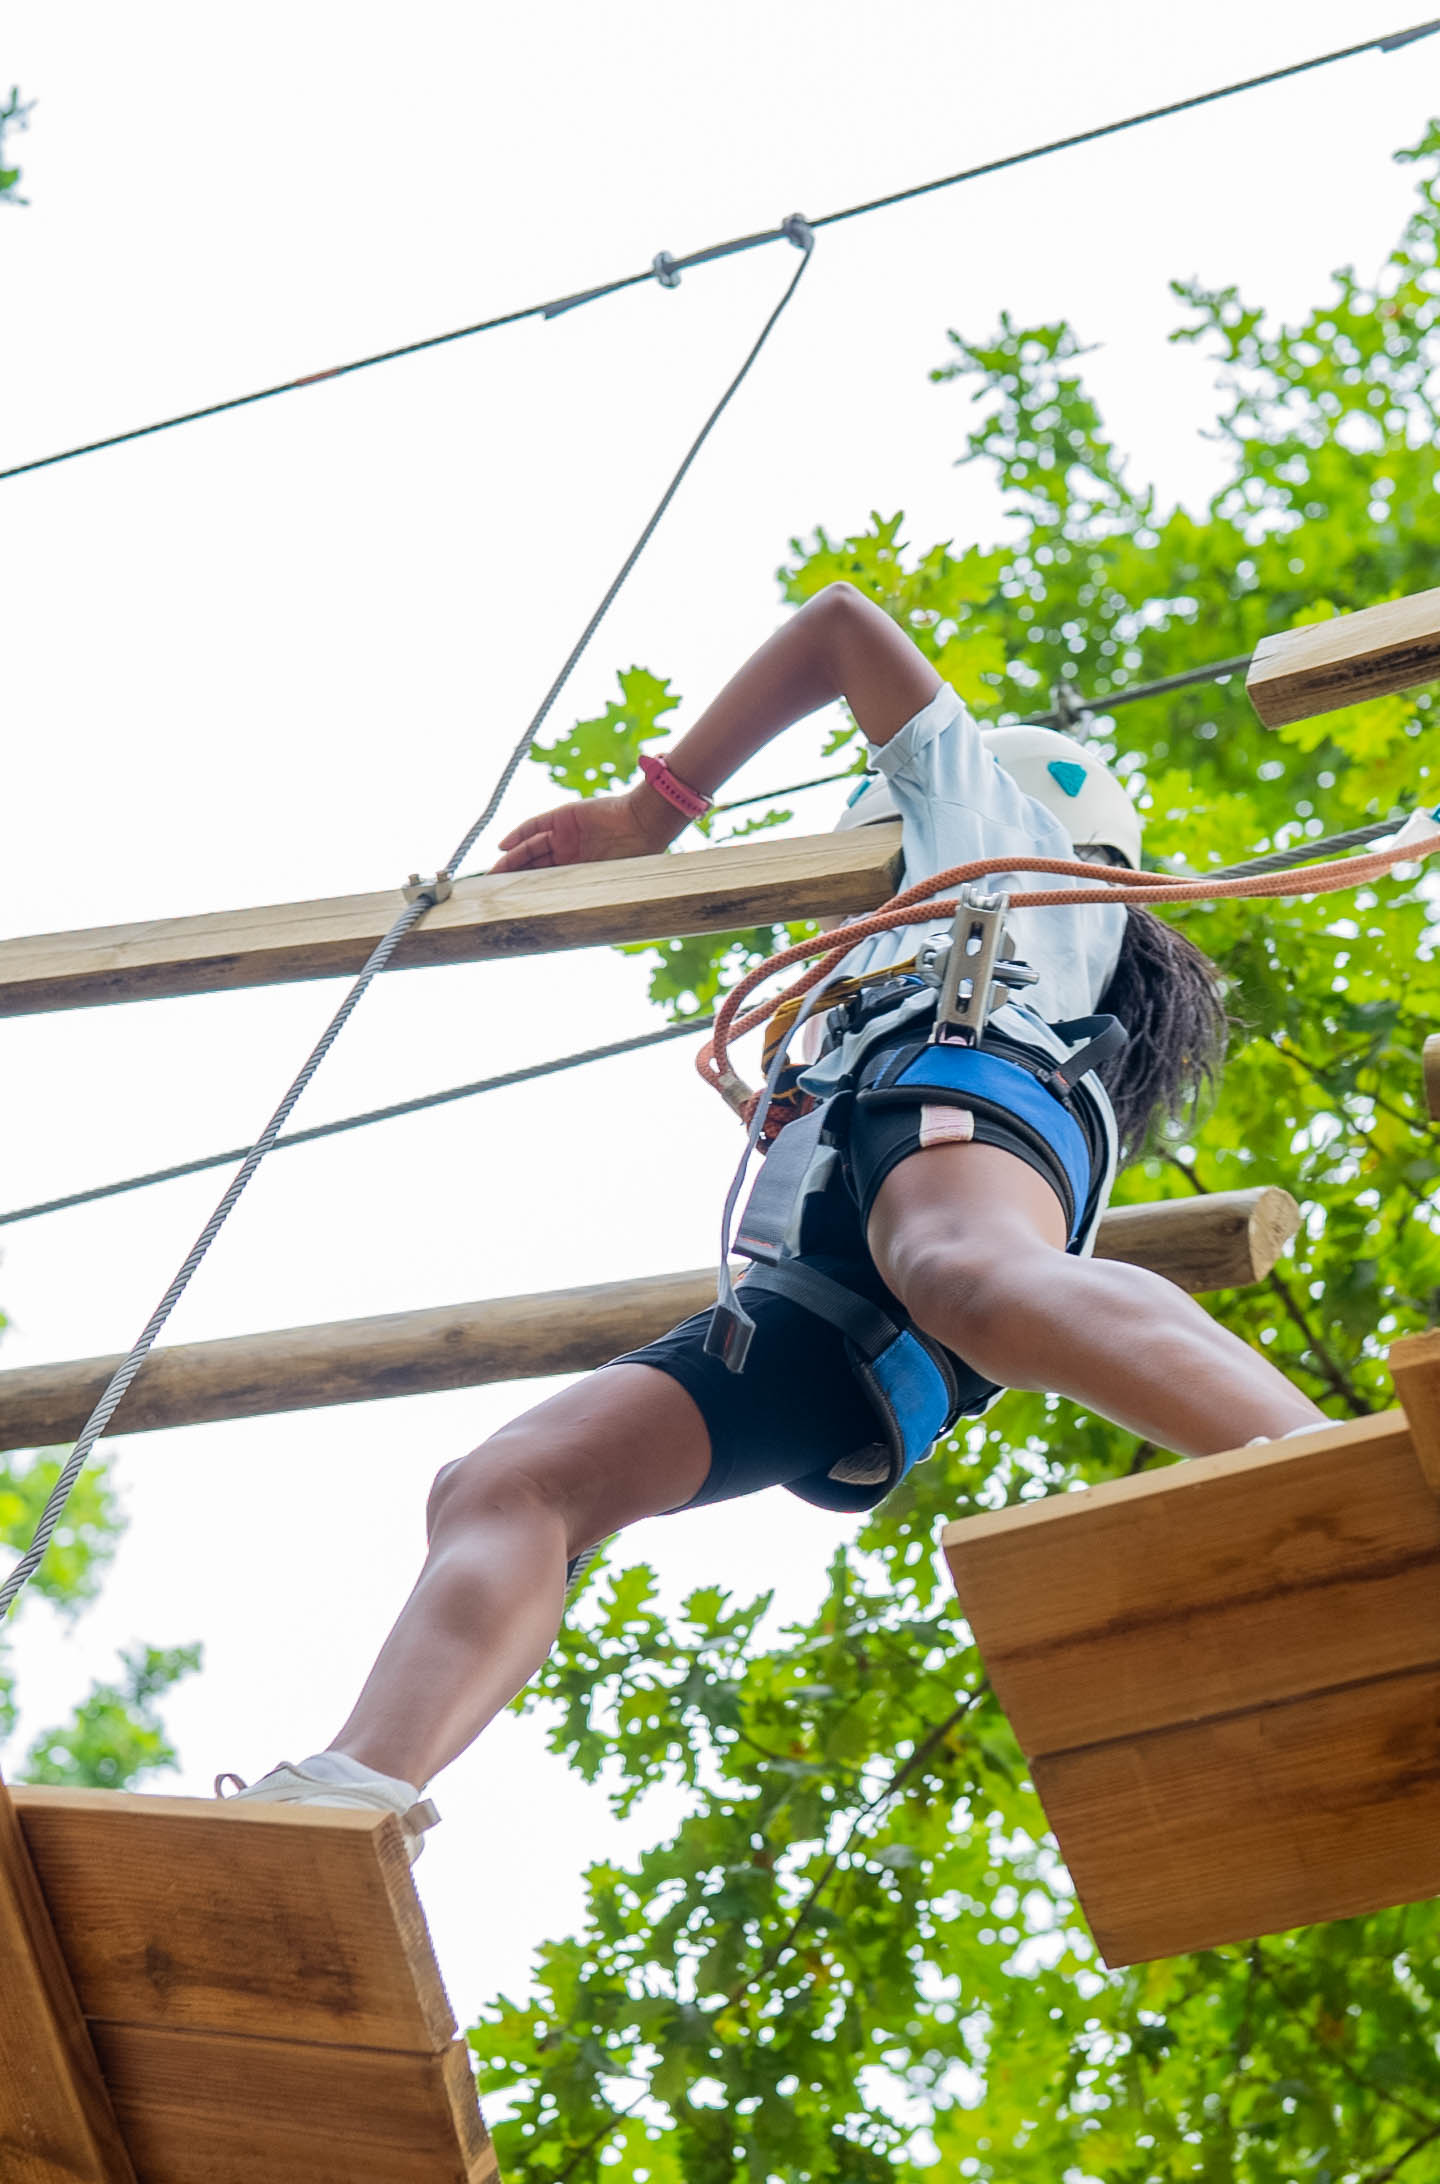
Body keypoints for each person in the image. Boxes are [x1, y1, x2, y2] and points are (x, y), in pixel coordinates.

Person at [227, 584, 1329, 1845]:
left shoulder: (992, 824)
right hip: (832, 1295)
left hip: (960, 1118)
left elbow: (840, 627)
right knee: (508, 1480)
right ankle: (354, 1795)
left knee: (966, 1269)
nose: (833, 923)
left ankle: (1323, 1469)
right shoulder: (858, 1001)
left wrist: (655, 811)